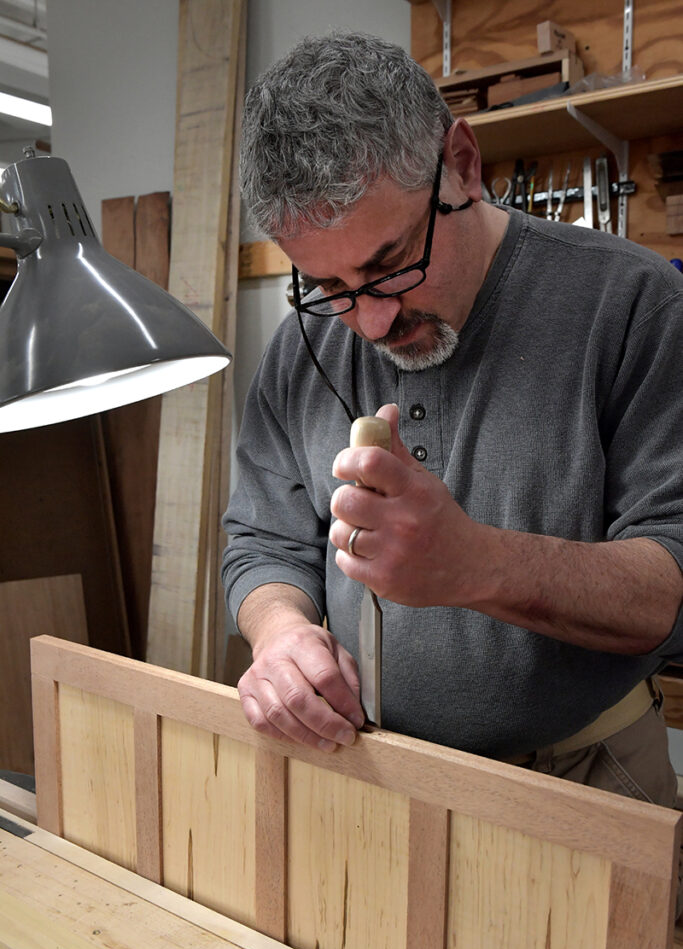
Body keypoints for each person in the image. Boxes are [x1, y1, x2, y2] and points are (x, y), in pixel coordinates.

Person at [222, 31, 683, 810]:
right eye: (327, 284)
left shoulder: (630, 303)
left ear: (461, 166)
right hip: (369, 771)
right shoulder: (302, 345)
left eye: (389, 264)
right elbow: (261, 541)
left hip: (584, 776)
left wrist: (477, 565)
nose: (367, 322)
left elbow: (668, 587)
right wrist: (279, 634)